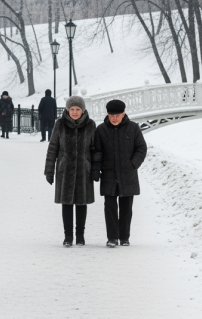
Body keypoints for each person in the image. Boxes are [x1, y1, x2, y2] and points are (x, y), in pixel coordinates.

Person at [91, 99, 147, 248]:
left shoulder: (133, 128)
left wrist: (133, 164)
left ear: (123, 114)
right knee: (109, 207)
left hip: (128, 174)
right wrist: (97, 168)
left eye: (117, 115)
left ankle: (124, 237)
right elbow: (97, 151)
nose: (114, 118)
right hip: (109, 174)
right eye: (111, 115)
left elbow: (141, 148)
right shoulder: (101, 130)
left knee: (126, 208)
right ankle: (112, 237)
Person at [44, 96, 96, 247]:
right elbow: (53, 148)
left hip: (83, 170)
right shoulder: (59, 124)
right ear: (67, 110)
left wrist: (94, 169)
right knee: (66, 203)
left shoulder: (91, 125)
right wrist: (49, 171)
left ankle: (80, 235)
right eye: (72, 109)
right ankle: (68, 236)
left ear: (83, 110)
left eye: (77, 109)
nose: (74, 112)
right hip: (64, 170)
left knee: (81, 203)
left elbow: (95, 149)